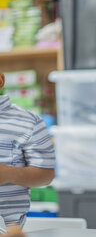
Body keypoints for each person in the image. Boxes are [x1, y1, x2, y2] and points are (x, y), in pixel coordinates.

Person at [0, 73, 55, 227]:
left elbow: (46, 174)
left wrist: (9, 174)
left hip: (9, 231)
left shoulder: (29, 122)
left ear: (1, 80)